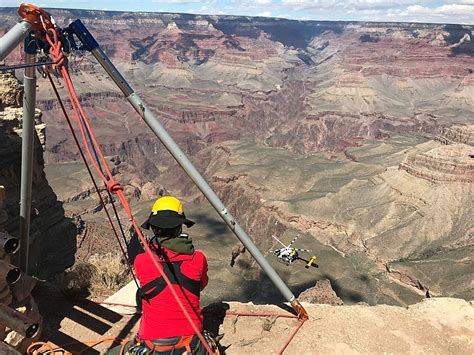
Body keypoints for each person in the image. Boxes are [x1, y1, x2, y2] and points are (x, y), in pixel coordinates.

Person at [108, 196, 209, 355]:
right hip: (191, 343)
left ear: (154, 229)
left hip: (152, 345)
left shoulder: (141, 261)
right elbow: (200, 285)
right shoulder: (198, 259)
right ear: (179, 228)